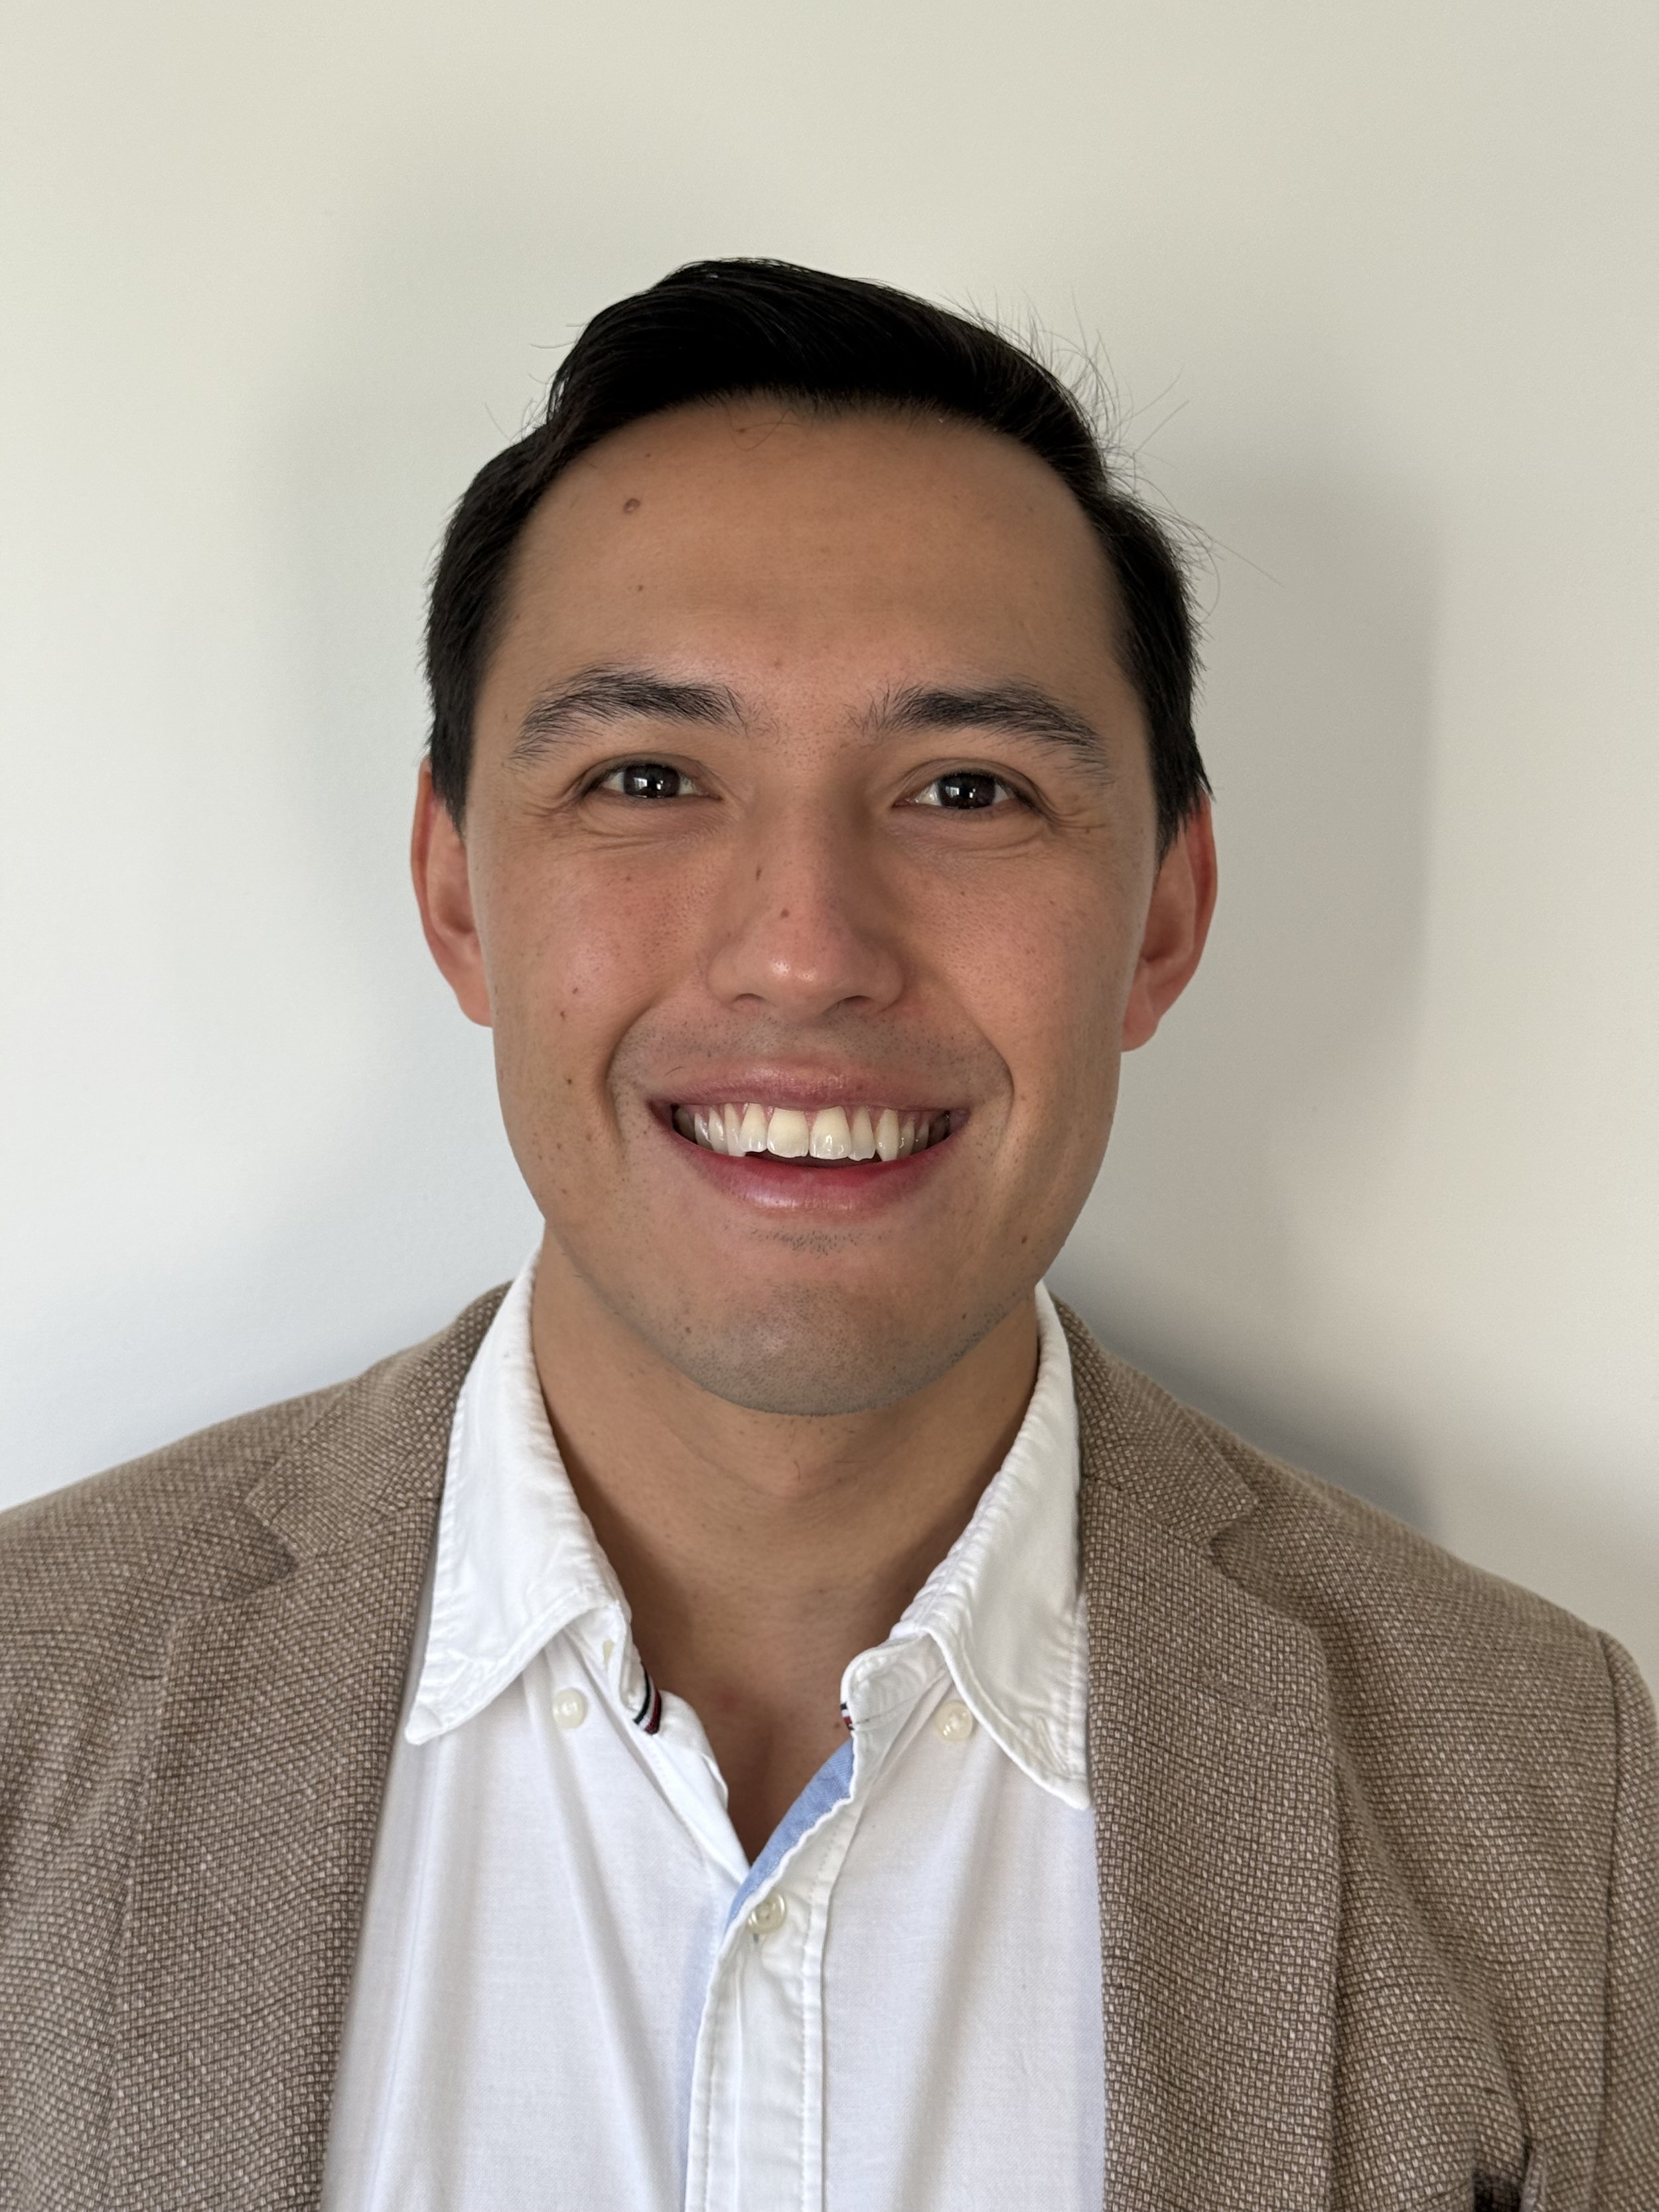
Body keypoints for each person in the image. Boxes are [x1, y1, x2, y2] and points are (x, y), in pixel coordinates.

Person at [0, 259, 1652, 2212]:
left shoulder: (1552, 1792)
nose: (803, 946)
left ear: (1162, 913)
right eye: (645, 778)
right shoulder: (34, 1709)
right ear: (456, 887)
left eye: (966, 788)